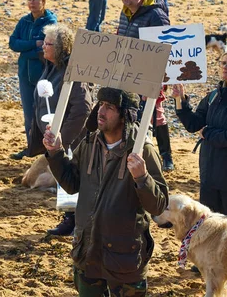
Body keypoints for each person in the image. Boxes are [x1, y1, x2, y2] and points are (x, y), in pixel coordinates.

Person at [43, 87, 168, 296]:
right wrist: (56, 153)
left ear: (125, 116)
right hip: (88, 252)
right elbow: (72, 184)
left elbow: (159, 205)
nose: (101, 111)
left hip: (124, 258)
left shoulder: (142, 151)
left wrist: (142, 178)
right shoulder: (90, 142)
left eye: (109, 107)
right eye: (100, 104)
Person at [172, 47, 227, 225]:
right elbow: (193, 124)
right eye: (223, 63)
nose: (225, 67)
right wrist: (180, 100)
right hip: (209, 174)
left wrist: (207, 133)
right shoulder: (214, 96)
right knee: (210, 226)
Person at [27, 24, 93, 236]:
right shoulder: (52, 67)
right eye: (44, 42)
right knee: (65, 179)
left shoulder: (73, 73)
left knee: (72, 180)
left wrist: (63, 137)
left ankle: (73, 221)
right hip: (56, 139)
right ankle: (70, 220)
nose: (43, 47)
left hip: (71, 140)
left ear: (62, 47)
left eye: (48, 43)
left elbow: (83, 109)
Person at [116, 0, 174, 171]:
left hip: (149, 76)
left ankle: (165, 157)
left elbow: (167, 47)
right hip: (127, 74)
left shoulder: (156, 15)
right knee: (131, 114)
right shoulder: (125, 13)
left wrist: (158, 79)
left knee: (155, 114)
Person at [8, 0, 57, 160]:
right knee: (29, 115)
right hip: (25, 75)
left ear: (44, 0)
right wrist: (32, 44)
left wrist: (28, 48)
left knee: (44, 113)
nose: (32, 3)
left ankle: (47, 151)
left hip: (43, 77)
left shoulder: (50, 22)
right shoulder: (24, 21)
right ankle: (31, 148)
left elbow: (45, 49)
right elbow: (13, 43)